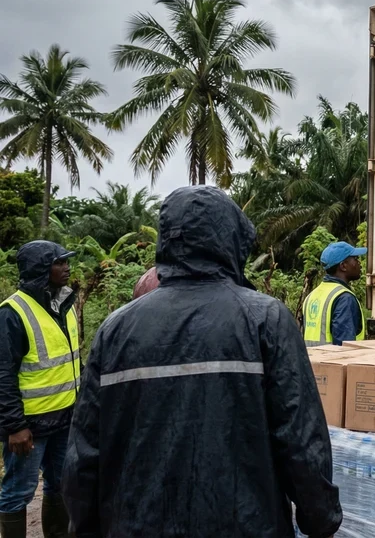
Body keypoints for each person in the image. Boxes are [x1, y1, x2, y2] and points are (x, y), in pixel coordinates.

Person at [62, 186, 341, 537]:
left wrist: (84, 528)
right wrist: (321, 519)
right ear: (233, 240)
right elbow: (300, 438)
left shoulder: (115, 329)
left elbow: (84, 453)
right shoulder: (265, 319)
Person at [0, 241, 80, 538]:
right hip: (29, 425)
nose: (66, 267)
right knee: (18, 491)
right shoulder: (13, 312)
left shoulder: (65, 304)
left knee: (60, 484)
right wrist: (14, 426)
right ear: (40, 269)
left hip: (64, 418)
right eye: (59, 262)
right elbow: (3, 374)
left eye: (65, 262)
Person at [302, 241, 368, 346]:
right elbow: (344, 347)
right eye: (355, 259)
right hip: (333, 361)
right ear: (343, 266)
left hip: (313, 361)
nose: (359, 263)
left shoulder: (312, 295)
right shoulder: (344, 298)